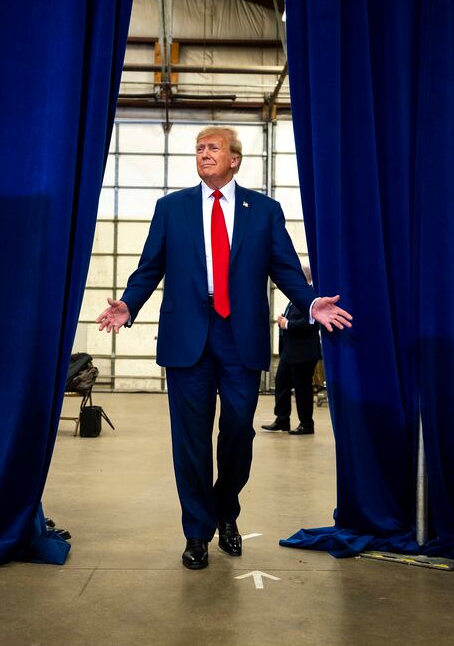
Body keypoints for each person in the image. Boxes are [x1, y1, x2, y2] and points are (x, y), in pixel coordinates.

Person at [95, 126, 352, 570]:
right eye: (199, 149)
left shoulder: (265, 211)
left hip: (240, 338)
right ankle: (197, 532)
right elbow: (149, 267)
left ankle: (224, 509)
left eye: (213, 147)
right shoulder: (171, 208)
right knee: (190, 441)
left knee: (238, 431)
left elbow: (286, 270)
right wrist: (128, 305)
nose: (204, 153)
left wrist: (311, 302)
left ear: (234, 159)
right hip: (187, 337)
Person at [262, 265, 322, 435]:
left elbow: (311, 323)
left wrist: (287, 324)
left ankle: (306, 424)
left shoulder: (312, 295)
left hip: (303, 352)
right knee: (281, 382)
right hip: (290, 351)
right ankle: (282, 419)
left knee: (302, 389)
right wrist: (284, 319)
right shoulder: (298, 295)